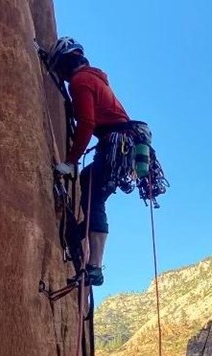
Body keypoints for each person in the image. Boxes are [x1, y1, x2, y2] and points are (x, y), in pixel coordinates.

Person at [49, 37, 129, 286]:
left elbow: (86, 123)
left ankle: (94, 266)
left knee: (93, 197)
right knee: (89, 184)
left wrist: (70, 161)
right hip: (122, 145)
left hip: (116, 144)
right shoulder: (94, 78)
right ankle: (85, 235)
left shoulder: (81, 81)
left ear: (65, 63)